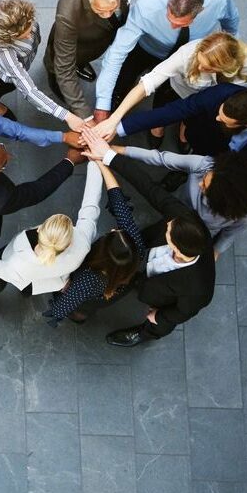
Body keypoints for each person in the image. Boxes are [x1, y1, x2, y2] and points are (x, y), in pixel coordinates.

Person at [75, 127, 217, 347]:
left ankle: (143, 334)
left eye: (168, 230)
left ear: (175, 247)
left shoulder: (198, 289)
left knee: (160, 324)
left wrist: (161, 317)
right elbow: (149, 189)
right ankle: (82, 310)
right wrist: (108, 156)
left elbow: (183, 312)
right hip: (137, 255)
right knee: (105, 291)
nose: (167, 223)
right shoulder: (186, 219)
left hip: (152, 291)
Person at [92, 0, 240, 130]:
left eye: (180, 24)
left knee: (171, 90)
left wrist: (230, 45)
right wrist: (102, 105)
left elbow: (231, 21)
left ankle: (158, 122)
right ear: (169, 3)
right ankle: (116, 101)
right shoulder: (146, 7)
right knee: (124, 77)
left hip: (192, 55)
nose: (173, 27)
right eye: (170, 20)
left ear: (200, 11)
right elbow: (116, 53)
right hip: (147, 49)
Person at [92, 32, 247, 146]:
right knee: (162, 113)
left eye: (209, 67)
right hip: (178, 92)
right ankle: (158, 128)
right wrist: (114, 119)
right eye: (200, 62)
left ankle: (184, 129)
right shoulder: (187, 54)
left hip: (215, 104)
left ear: (228, 66)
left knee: (193, 123)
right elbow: (147, 83)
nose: (201, 68)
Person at [0, 161, 103, 310]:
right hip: (46, 282)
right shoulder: (83, 242)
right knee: (27, 288)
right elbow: (91, 204)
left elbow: (2, 269)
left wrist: (95, 161)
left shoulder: (17, 257)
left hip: (20, 272)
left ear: (39, 230)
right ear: (69, 241)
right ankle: (25, 293)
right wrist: (96, 162)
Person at [91, 145, 247, 258]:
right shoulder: (205, 165)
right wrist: (116, 150)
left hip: (194, 230)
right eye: (204, 178)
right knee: (152, 234)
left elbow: (227, 236)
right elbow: (161, 158)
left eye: (206, 187)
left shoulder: (244, 216)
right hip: (176, 207)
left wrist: (214, 253)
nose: (200, 182)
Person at [42, 159, 145, 326]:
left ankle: (78, 317)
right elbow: (120, 205)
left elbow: (64, 305)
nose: (114, 230)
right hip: (114, 290)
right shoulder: (135, 245)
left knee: (79, 308)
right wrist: (102, 163)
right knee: (86, 307)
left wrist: (57, 305)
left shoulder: (89, 279)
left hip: (90, 294)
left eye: (112, 234)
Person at [113, 84, 247, 183]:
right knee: (194, 157)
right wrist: (117, 128)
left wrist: (246, 186)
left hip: (235, 165)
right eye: (219, 112)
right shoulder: (219, 94)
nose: (217, 118)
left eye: (224, 120)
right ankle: (181, 172)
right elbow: (174, 111)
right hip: (205, 139)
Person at [0, 0, 88, 131]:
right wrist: (67, 116)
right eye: (23, 34)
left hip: (22, 61)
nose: (30, 31)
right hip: (0, 75)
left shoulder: (14, 1)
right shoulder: (3, 53)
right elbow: (30, 91)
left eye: (30, 24)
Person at [44, 0, 132, 120]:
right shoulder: (68, 12)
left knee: (85, 57)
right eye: (100, 10)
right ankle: (57, 86)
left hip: (98, 41)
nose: (108, 15)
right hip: (77, 43)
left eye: (112, 8)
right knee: (59, 70)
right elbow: (64, 69)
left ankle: (81, 64)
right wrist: (84, 115)